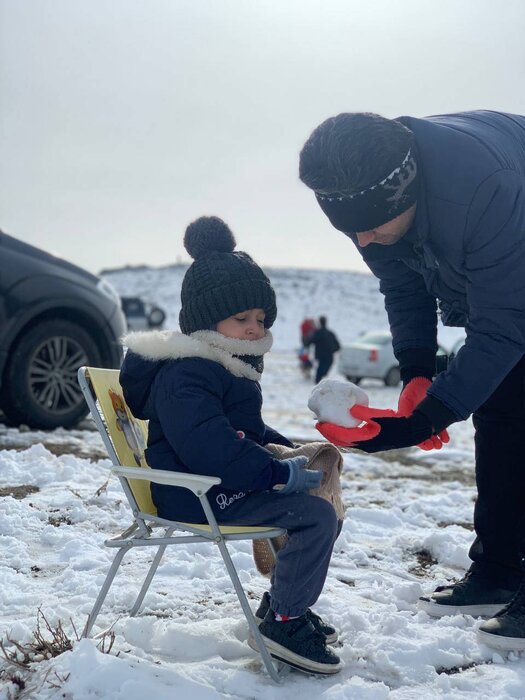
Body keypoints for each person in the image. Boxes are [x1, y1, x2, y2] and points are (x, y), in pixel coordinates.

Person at [299, 110, 525, 650]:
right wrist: (419, 369)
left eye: (372, 225)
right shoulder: (364, 195)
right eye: (350, 228)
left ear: (408, 190)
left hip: (511, 261)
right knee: (500, 414)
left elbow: (503, 327)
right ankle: (498, 568)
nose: (362, 238)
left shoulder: (483, 189)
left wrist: (420, 422)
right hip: (501, 285)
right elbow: (403, 286)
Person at [119, 216, 342, 674]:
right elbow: (208, 445)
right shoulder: (187, 373)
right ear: (206, 321)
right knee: (314, 516)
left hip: (221, 483)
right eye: (241, 318)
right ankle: (284, 619)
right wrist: (277, 473)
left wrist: (294, 451)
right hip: (194, 491)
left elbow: (249, 436)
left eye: (260, 319)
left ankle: (282, 602)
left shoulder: (227, 368)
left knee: (321, 500)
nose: (254, 328)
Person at [308, 316, 341, 383]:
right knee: (323, 374)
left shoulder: (317, 333)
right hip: (329, 357)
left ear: (319, 322)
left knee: (319, 376)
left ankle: (319, 386)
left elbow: (309, 342)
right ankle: (321, 385)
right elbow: (338, 346)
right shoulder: (330, 333)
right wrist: (331, 350)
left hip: (321, 357)